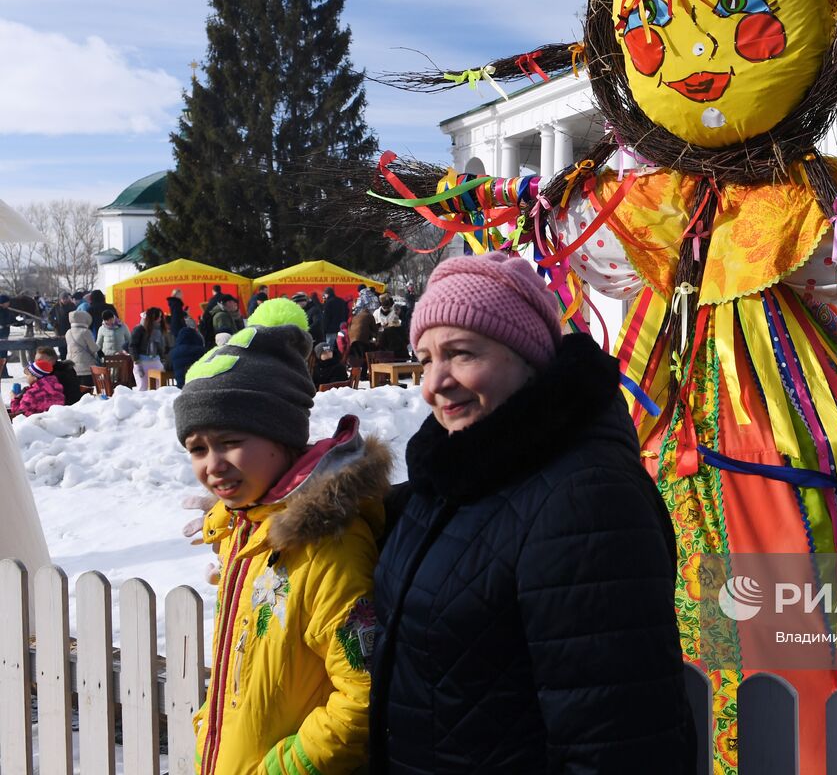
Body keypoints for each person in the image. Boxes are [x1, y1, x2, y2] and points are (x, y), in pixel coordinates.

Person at [368, 252, 692, 773]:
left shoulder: (586, 501)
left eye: (462, 353)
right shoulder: (454, 473)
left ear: (528, 359)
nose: (433, 383)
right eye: (426, 358)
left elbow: (615, 745)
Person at [176, 299, 389, 775]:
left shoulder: (328, 547)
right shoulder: (246, 532)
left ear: (282, 436)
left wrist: (282, 769)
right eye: (197, 448)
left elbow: (363, 696)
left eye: (231, 441)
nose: (212, 465)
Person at [129, 307, 170, 390]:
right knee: (143, 387)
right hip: (142, 362)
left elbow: (161, 347)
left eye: (161, 317)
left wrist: (163, 359)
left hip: (156, 361)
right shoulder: (140, 329)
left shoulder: (160, 330)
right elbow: (132, 345)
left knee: (160, 387)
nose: (160, 319)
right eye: (158, 316)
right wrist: (137, 362)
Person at [65, 311, 98, 389]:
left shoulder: (68, 332)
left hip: (71, 365)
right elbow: (93, 348)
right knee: (87, 390)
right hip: (85, 366)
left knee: (76, 389)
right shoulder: (86, 332)